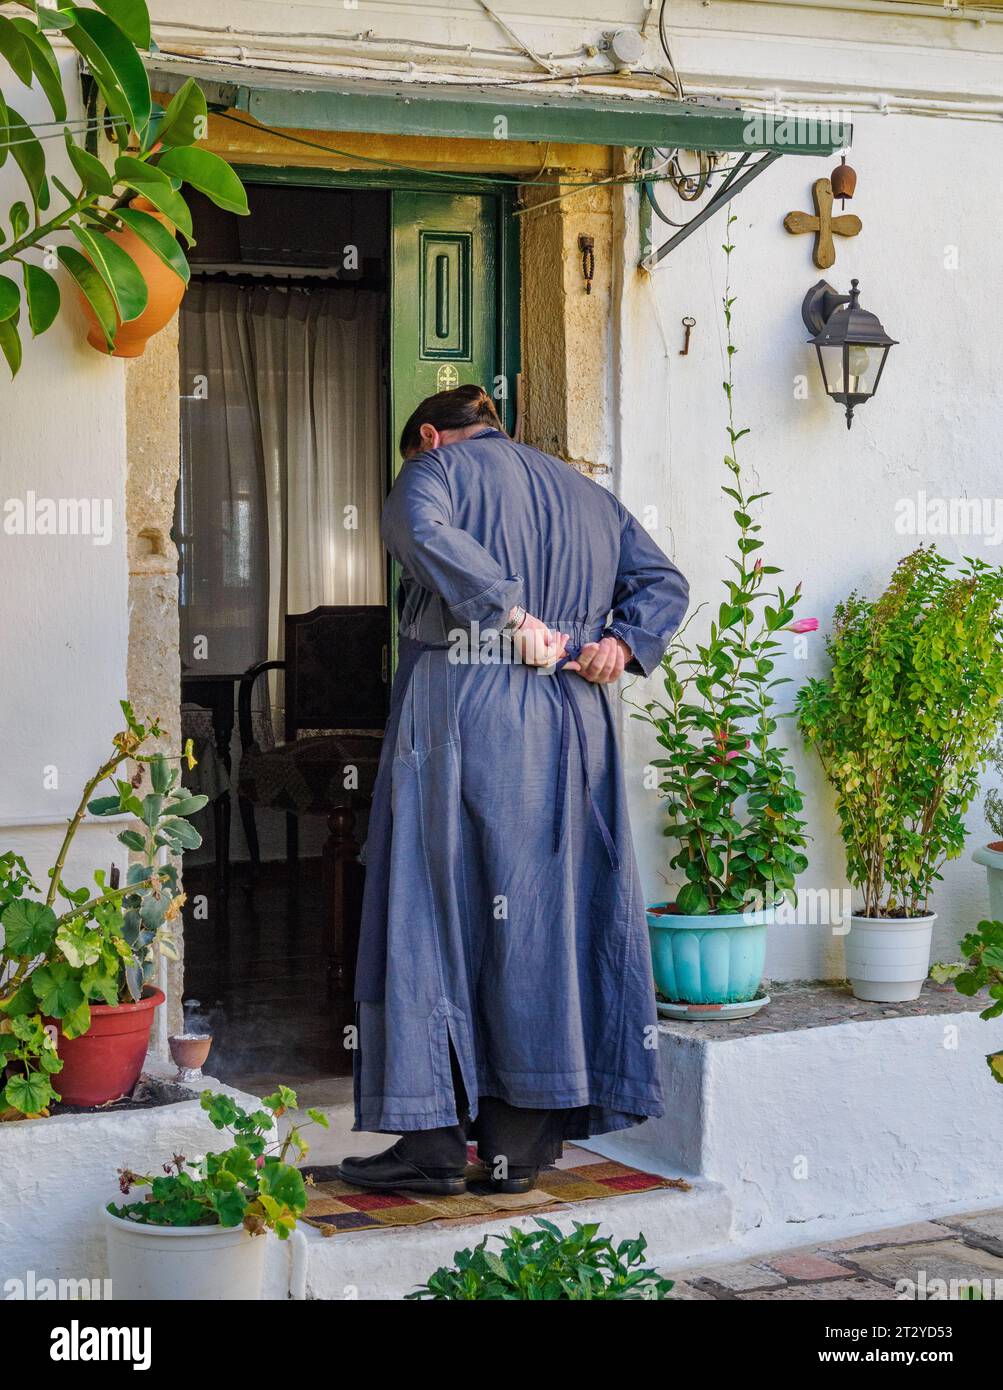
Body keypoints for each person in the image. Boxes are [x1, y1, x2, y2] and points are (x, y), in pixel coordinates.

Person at [338, 384, 689, 1196]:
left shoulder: (435, 473)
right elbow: (662, 584)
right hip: (575, 719)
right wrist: (621, 644)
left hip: (464, 709)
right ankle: (516, 1152)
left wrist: (502, 611)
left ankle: (428, 1142)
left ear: (430, 436)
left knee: (427, 910)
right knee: (543, 914)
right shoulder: (587, 493)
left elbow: (414, 529)